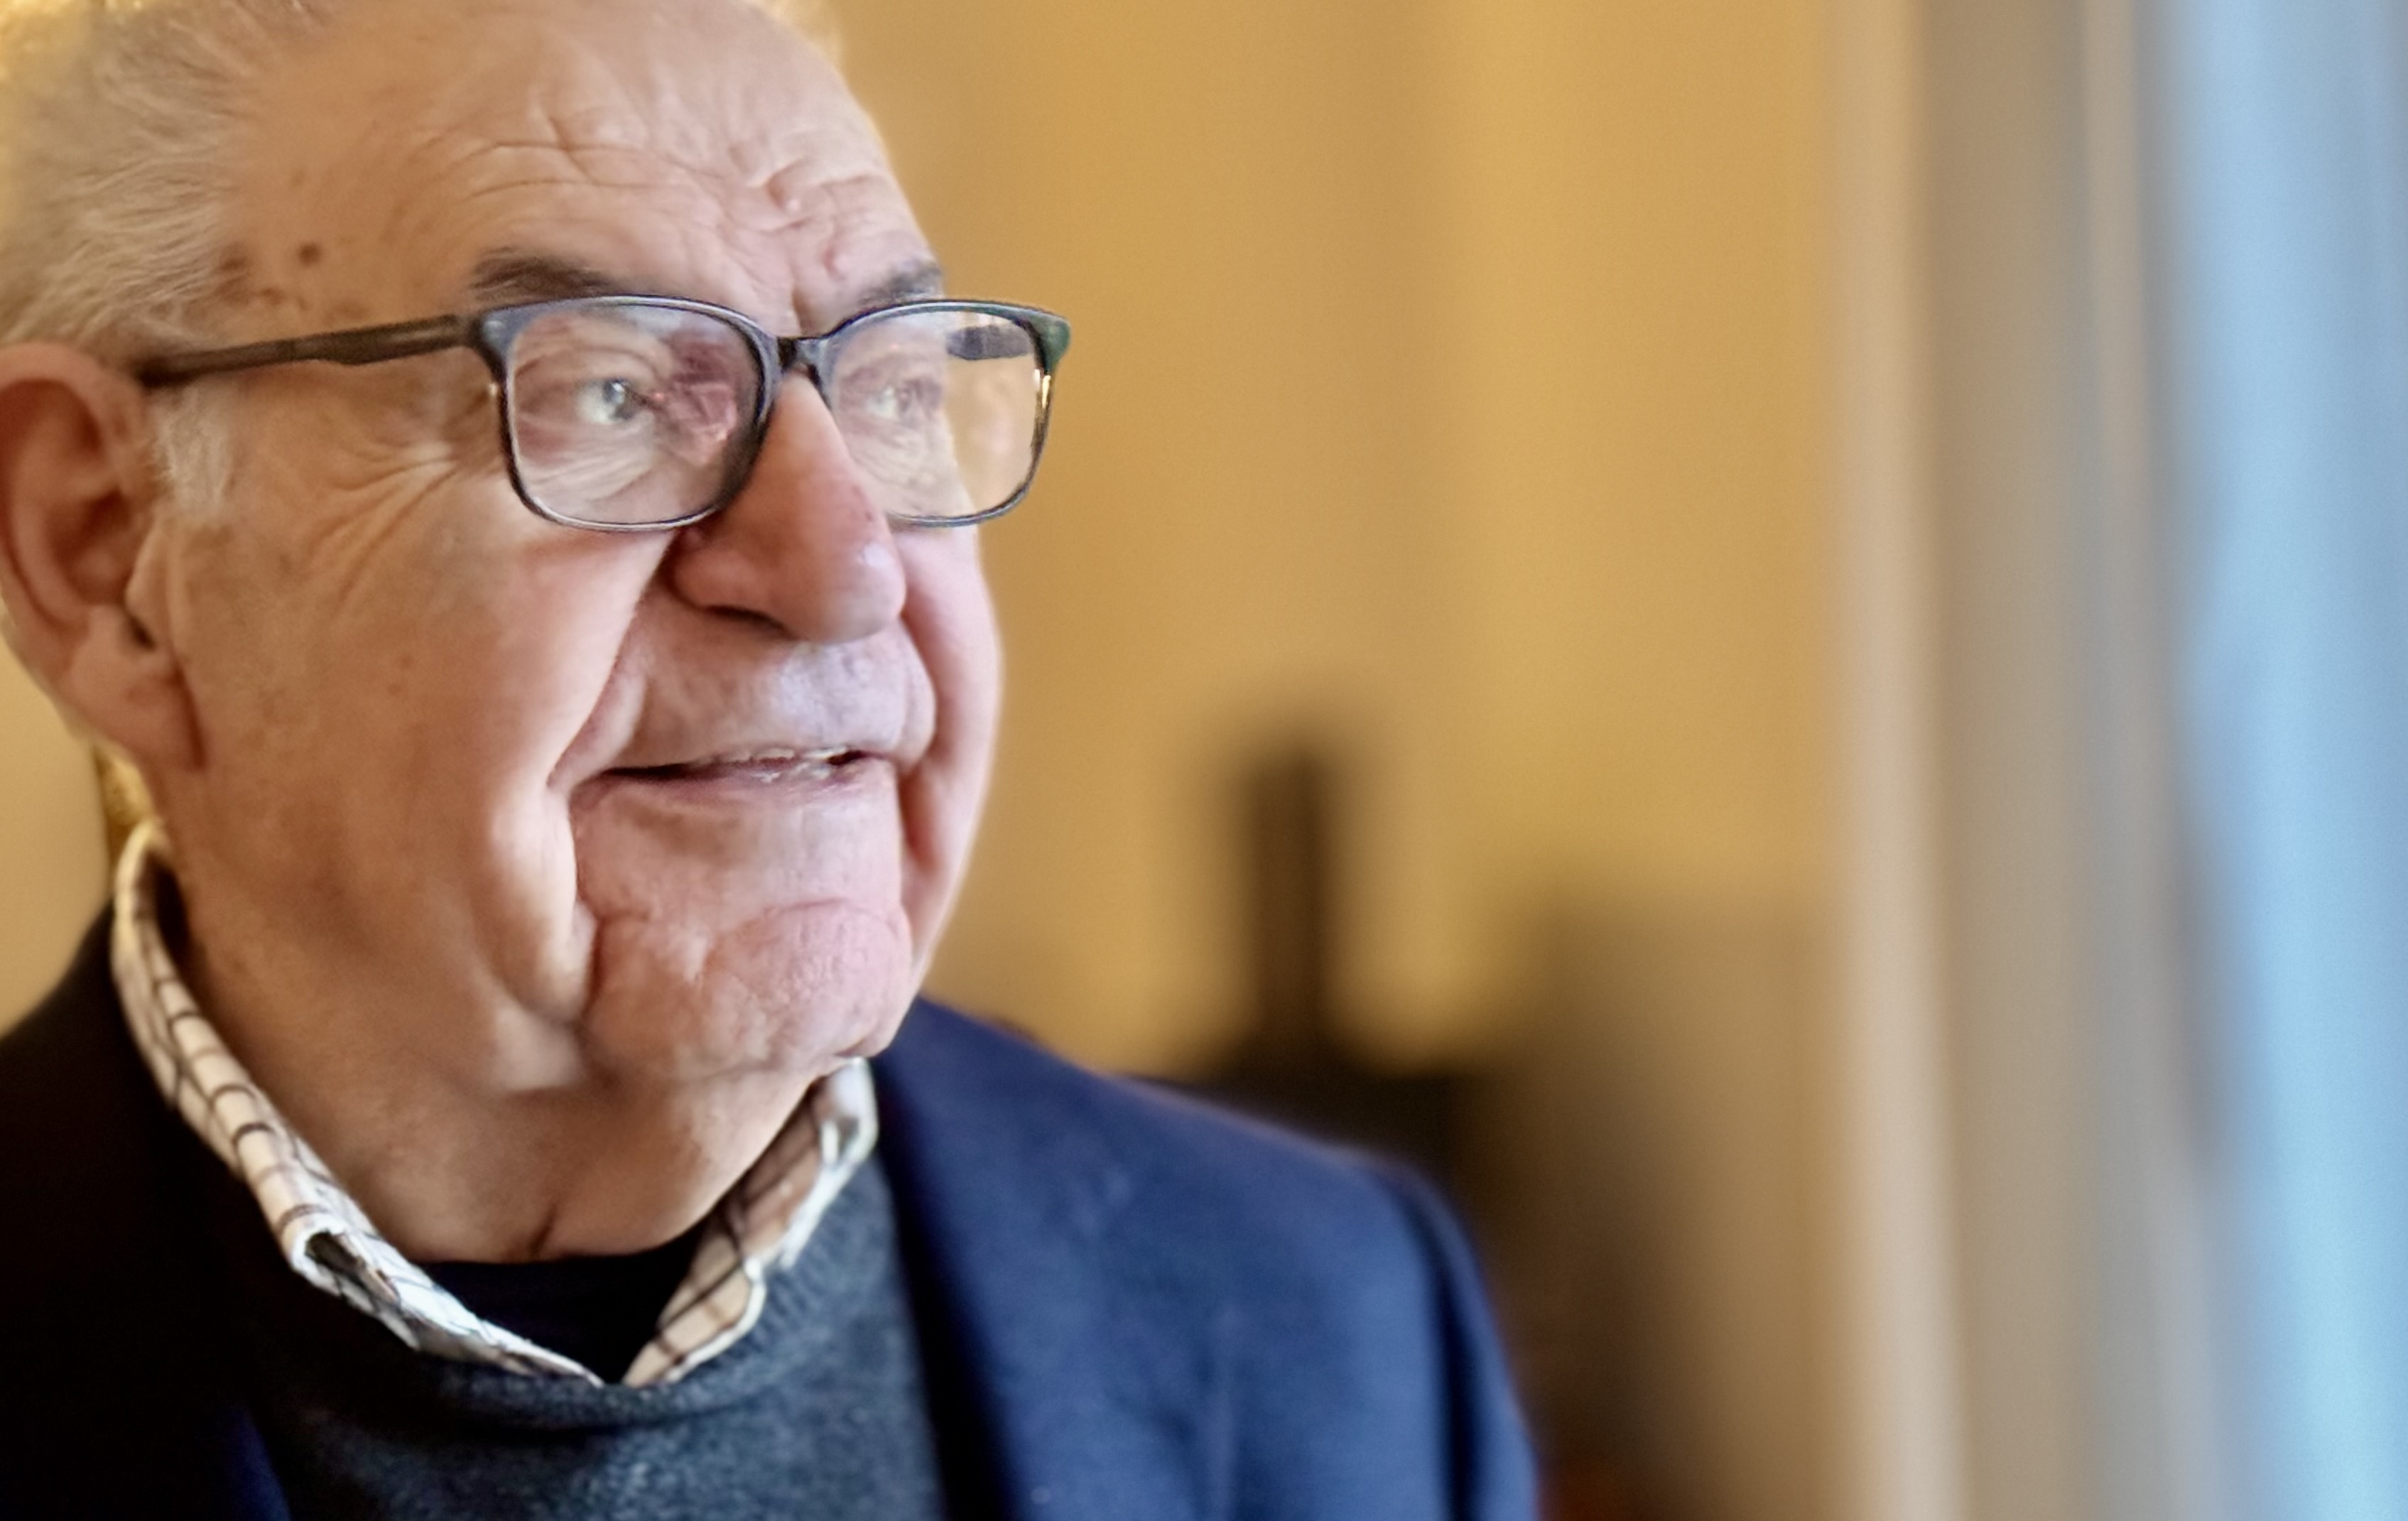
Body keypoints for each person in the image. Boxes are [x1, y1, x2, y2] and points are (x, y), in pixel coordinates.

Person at [0, 0, 1535, 1515]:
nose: (844, 568)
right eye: (607, 390)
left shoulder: (1331, 1321)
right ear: (102, 550)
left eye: (895, 388)